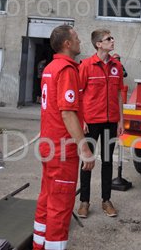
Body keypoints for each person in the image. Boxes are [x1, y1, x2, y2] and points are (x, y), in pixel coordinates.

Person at [32, 25, 95, 250]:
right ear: (67, 44)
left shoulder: (50, 67)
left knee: (46, 198)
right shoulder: (67, 70)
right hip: (62, 149)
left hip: (49, 145)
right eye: (76, 38)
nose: (80, 41)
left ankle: (38, 245)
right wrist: (84, 148)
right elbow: (66, 112)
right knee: (60, 205)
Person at [76, 30, 125, 218]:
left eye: (112, 38)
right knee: (87, 161)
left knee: (107, 161)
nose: (113, 41)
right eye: (108, 39)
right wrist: (82, 119)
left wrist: (120, 120)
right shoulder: (86, 66)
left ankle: (106, 200)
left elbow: (120, 94)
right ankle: (84, 202)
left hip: (111, 122)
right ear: (98, 44)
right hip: (91, 122)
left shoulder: (117, 67)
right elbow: (79, 95)